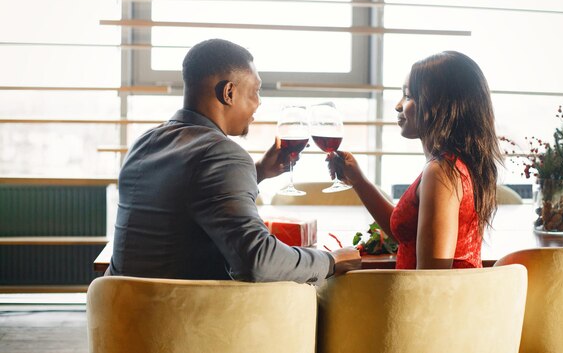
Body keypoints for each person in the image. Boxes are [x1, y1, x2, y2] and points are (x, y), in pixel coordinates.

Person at [109, 38, 360, 283]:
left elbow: (183, 203)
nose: (258, 103)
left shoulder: (144, 144)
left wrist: (258, 171)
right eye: (255, 91)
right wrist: (331, 260)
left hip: (122, 314)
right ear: (229, 92)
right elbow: (259, 261)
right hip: (187, 318)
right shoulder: (222, 153)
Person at [329, 51, 502, 269]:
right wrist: (359, 182)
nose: (398, 106)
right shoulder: (458, 164)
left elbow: (431, 277)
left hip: (429, 301)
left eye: (409, 96)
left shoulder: (441, 172)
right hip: (453, 300)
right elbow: (407, 234)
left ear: (439, 105)